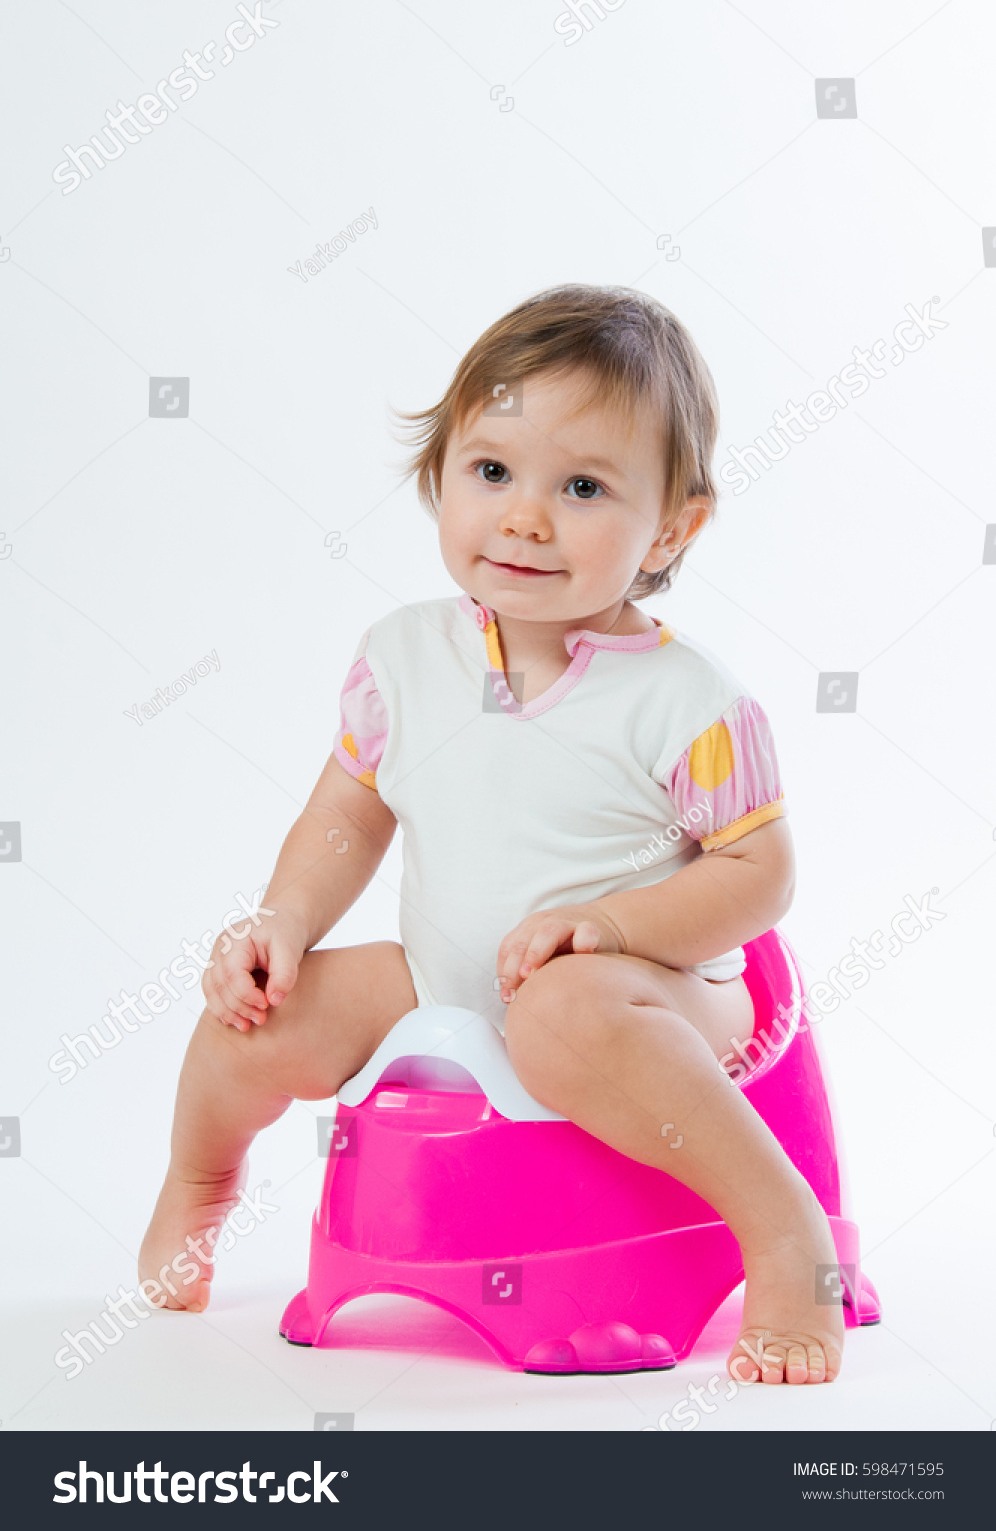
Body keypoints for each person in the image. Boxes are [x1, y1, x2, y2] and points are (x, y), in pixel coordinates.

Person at [140, 284, 844, 1385]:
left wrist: (609, 924)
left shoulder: (687, 701)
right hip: (449, 982)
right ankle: (197, 1186)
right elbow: (348, 813)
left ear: (673, 525)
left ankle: (785, 1235)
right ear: (441, 476)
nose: (524, 516)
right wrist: (284, 918)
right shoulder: (407, 658)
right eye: (492, 472)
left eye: (582, 487)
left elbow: (761, 874)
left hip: (655, 993)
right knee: (250, 1021)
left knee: (560, 1012)